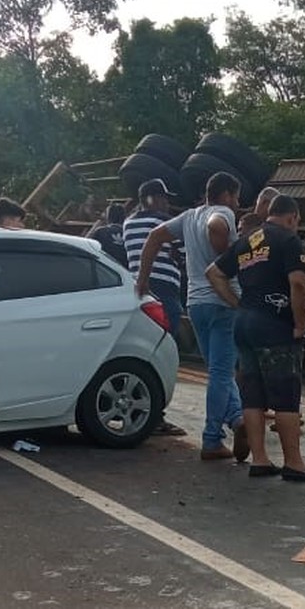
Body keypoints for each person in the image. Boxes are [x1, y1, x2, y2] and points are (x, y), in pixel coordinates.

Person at [206, 194, 305, 482]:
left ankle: (259, 460)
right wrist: (299, 323)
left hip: (245, 325)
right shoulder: (288, 240)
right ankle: (295, 464)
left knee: (253, 395)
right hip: (275, 325)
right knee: (286, 396)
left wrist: (238, 304)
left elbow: (213, 274)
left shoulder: (248, 239)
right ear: (292, 217)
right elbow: (298, 283)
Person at [136, 172, 248, 462]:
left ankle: (237, 419)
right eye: (236, 197)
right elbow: (217, 225)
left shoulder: (188, 217)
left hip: (196, 304)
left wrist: (142, 280)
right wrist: (225, 251)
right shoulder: (220, 213)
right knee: (223, 373)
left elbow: (154, 237)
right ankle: (212, 439)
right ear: (225, 195)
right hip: (224, 301)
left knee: (217, 370)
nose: (237, 203)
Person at [123, 180, 185, 437]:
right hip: (165, 293)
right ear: (152, 198)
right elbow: (183, 252)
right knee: (162, 354)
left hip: (141, 294)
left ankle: (142, 410)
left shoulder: (128, 223)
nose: (167, 203)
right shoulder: (162, 222)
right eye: (163, 198)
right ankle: (155, 416)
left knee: (145, 353)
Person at [88, 202, 129, 269]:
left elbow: (88, 247)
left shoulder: (100, 232)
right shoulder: (129, 231)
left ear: (108, 216)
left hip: (106, 269)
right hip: (127, 270)